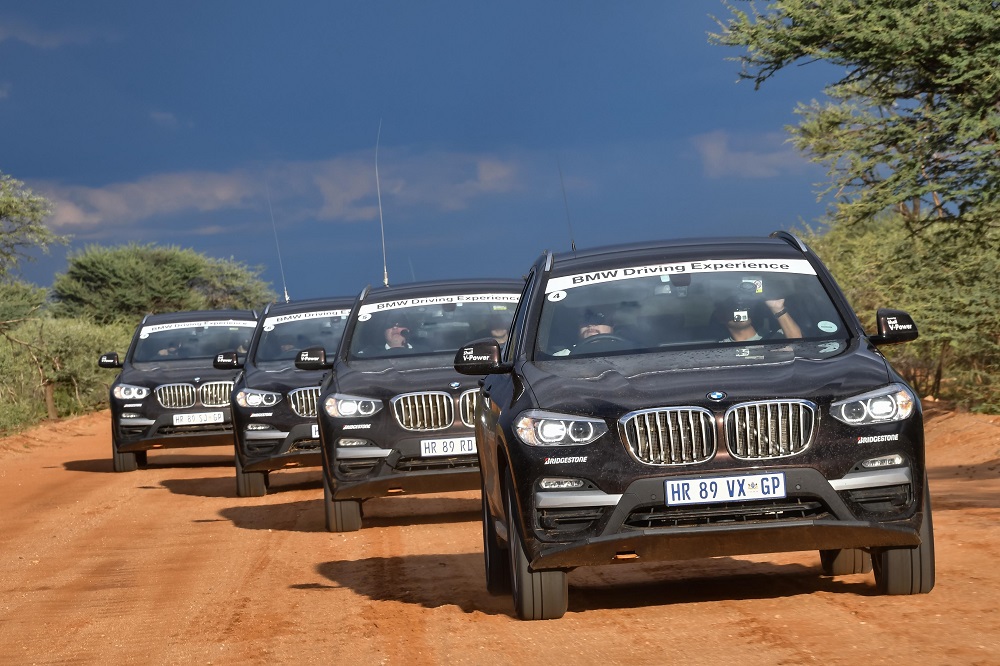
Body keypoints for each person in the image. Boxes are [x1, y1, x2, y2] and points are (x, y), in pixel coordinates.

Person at [716, 298, 802, 343]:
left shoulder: (776, 337)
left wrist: (777, 307)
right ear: (721, 318)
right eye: (733, 308)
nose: (740, 311)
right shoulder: (719, 349)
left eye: (744, 307)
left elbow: (798, 345)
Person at [552, 309, 616, 356]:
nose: (591, 324)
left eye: (599, 319)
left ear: (612, 325)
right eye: (586, 319)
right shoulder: (560, 357)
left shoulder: (622, 351)